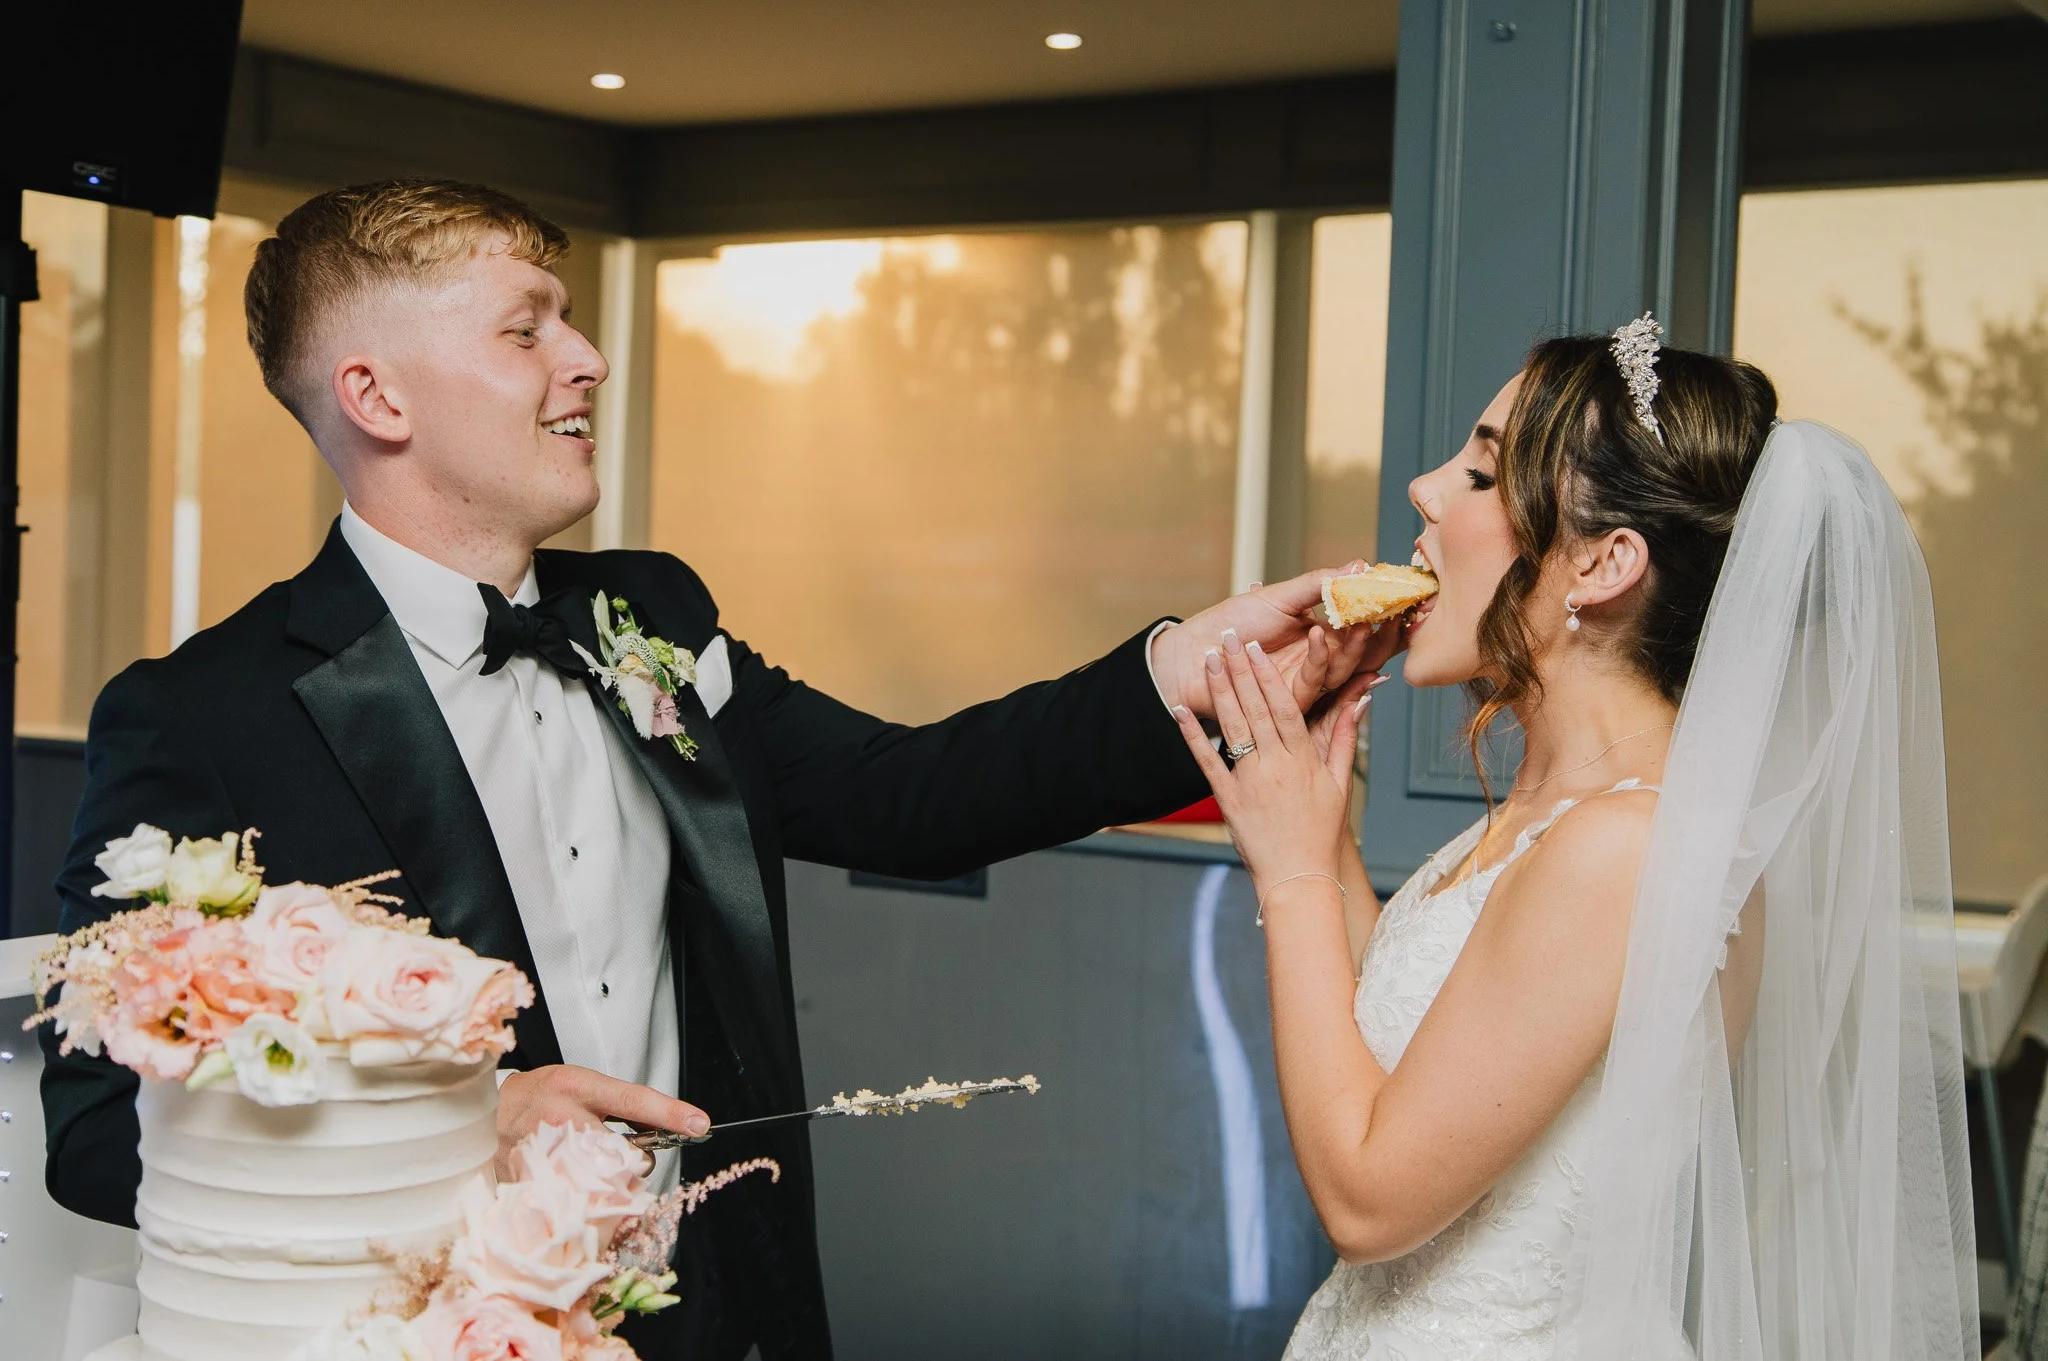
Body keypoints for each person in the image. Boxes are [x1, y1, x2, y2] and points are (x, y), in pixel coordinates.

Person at [37, 178, 1379, 1361]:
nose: (590, 357)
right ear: (377, 396)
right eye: (525, 328)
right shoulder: (205, 716)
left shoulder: (654, 619)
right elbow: (101, 1130)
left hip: (725, 1311)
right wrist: (466, 1122)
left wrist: (1179, 673)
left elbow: (913, 796)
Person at [1175, 319, 1979, 1358]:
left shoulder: (1626, 844)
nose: (1423, 489)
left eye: (1478, 473)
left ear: (1602, 564)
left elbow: (1369, 1205)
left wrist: (1287, 875)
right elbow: (1417, 1044)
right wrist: (1310, 824)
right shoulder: (1561, 807)